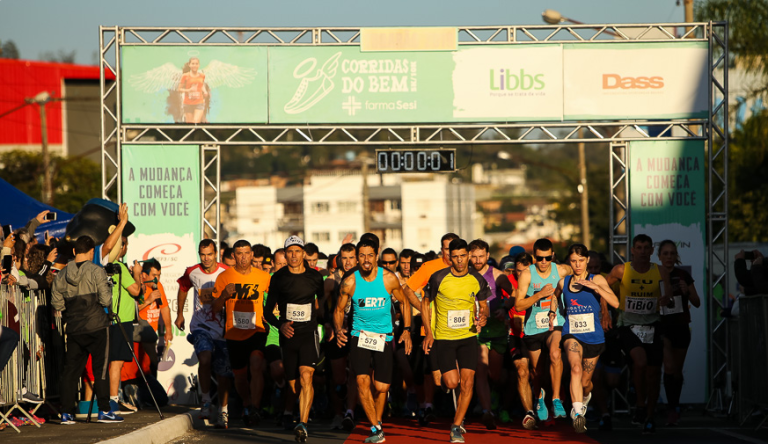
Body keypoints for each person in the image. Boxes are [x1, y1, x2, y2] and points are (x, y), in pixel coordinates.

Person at [334, 236, 411, 444]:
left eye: (370, 255)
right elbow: (339, 309)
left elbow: (404, 303)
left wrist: (406, 329)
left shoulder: (389, 279)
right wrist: (339, 328)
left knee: (382, 387)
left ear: (376, 255)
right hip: (359, 336)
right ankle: (376, 427)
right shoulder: (350, 281)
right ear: (357, 258)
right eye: (362, 256)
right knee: (361, 380)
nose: (366, 259)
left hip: (383, 337)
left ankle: (377, 423)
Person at [422, 238, 488, 444]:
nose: (459, 261)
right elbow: (425, 303)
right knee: (452, 382)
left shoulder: (477, 279)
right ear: (449, 257)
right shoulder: (438, 277)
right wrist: (428, 332)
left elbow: (484, 305)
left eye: (462, 256)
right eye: (455, 257)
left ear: (468, 255)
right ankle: (441, 378)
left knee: (468, 383)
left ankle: (456, 426)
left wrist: (483, 318)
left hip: (468, 337)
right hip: (445, 338)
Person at [51, 236, 123, 424]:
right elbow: (106, 301)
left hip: (74, 328)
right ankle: (104, 410)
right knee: (100, 369)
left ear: (74, 252)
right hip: (97, 326)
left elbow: (56, 302)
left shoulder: (61, 274)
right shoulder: (96, 271)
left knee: (70, 371)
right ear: (92, 252)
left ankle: (66, 413)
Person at [605, 234, 673, 434]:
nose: (643, 251)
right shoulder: (620, 270)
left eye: (646, 248)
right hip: (628, 325)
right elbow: (603, 288)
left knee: (653, 374)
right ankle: (640, 404)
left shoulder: (660, 271)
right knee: (640, 362)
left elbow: (668, 296)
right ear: (632, 250)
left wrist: (666, 300)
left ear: (652, 251)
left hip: (653, 325)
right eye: (639, 248)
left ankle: (650, 416)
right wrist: (604, 312)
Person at [550, 243, 619, 433]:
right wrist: (551, 312)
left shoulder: (596, 278)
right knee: (575, 367)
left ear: (587, 260)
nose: (578, 265)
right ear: (569, 262)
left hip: (594, 338)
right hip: (571, 334)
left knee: (586, 383)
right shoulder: (564, 282)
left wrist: (595, 287)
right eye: (573, 261)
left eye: (581, 260)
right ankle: (579, 413)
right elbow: (555, 296)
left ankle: (585, 396)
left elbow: (616, 302)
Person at [264, 235, 325, 443]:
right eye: (290, 251)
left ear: (303, 254)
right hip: (288, 336)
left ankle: (303, 423)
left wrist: (328, 325)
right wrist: (280, 325)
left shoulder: (315, 278)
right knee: (293, 384)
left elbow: (323, 306)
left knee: (306, 375)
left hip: (309, 333)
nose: (294, 255)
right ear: (285, 253)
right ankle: (301, 406)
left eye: (298, 251)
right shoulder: (278, 278)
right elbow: (267, 312)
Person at [211, 240, 272, 426]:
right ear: (234, 256)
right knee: (240, 376)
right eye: (239, 253)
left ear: (252, 254)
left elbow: (275, 299)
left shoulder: (263, 277)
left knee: (256, 363)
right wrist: (223, 296)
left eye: (247, 253)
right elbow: (214, 308)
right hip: (234, 332)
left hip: (257, 330)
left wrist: (271, 314)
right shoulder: (224, 277)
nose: (243, 257)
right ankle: (246, 402)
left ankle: (254, 408)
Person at [402, 233, 459, 426]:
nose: (450, 252)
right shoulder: (430, 267)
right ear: (441, 249)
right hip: (433, 329)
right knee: (436, 378)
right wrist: (422, 308)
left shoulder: (465, 267)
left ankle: (460, 416)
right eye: (446, 248)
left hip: (459, 329)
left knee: (461, 373)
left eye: (453, 248)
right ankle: (429, 404)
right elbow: (407, 289)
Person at [514, 238, 571, 423]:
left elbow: (577, 272)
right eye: (539, 258)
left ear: (552, 255)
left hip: (555, 323)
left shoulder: (561, 270)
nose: (544, 262)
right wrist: (539, 295)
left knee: (555, 354)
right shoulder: (527, 275)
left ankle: (556, 399)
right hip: (533, 327)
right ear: (534, 257)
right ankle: (539, 399)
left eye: (547, 258)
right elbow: (518, 304)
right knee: (536, 372)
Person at [175, 239, 231, 428]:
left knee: (223, 373)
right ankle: (206, 401)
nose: (206, 258)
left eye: (209, 254)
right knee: (205, 359)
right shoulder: (192, 271)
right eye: (203, 254)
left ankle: (224, 409)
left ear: (216, 254)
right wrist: (180, 314)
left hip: (223, 329)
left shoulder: (226, 271)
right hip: (201, 326)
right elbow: (183, 288)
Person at [468, 239, 513, 430]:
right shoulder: (465, 275)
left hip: (496, 330)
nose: (477, 260)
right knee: (481, 368)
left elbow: (514, 295)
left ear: (487, 256)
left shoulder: (497, 275)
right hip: (475, 330)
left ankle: (494, 398)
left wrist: (504, 308)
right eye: (474, 256)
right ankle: (487, 411)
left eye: (481, 256)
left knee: (494, 375)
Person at [657, 240, 701, 426]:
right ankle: (671, 409)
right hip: (663, 327)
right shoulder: (654, 274)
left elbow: (697, 302)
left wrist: (687, 292)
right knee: (668, 367)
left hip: (681, 327)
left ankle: (675, 406)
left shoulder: (683, 275)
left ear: (676, 256)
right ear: (659, 256)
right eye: (665, 253)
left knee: (676, 371)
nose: (668, 257)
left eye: (672, 253)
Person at [323, 242, 358, 431]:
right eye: (344, 258)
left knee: (355, 372)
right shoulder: (331, 280)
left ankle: (349, 413)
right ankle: (338, 414)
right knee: (338, 379)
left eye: (351, 258)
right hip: (337, 332)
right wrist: (328, 324)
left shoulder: (364, 278)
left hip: (357, 331)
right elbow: (319, 307)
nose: (347, 262)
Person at [107, 236, 143, 414]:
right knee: (117, 362)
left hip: (116, 318)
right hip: (121, 320)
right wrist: (137, 273)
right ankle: (113, 400)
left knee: (116, 361)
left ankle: (115, 398)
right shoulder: (119, 267)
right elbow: (136, 291)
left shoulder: (109, 266)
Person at [178, 56, 208, 123]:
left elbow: (201, 84)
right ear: (189, 65)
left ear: (199, 65)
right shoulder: (185, 76)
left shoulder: (202, 75)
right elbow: (179, 89)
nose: (194, 65)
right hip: (188, 103)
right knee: (190, 125)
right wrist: (188, 90)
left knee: (195, 122)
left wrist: (205, 91)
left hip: (199, 102)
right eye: (193, 63)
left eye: (196, 64)